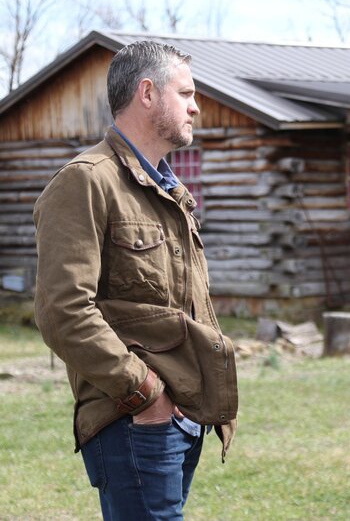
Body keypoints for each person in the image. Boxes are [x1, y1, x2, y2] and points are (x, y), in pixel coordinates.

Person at [33, 41, 238, 519]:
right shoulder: (86, 180)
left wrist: (187, 400)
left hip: (181, 417)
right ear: (147, 93)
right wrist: (145, 392)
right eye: (185, 93)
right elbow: (63, 311)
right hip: (134, 417)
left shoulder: (170, 190)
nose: (196, 106)